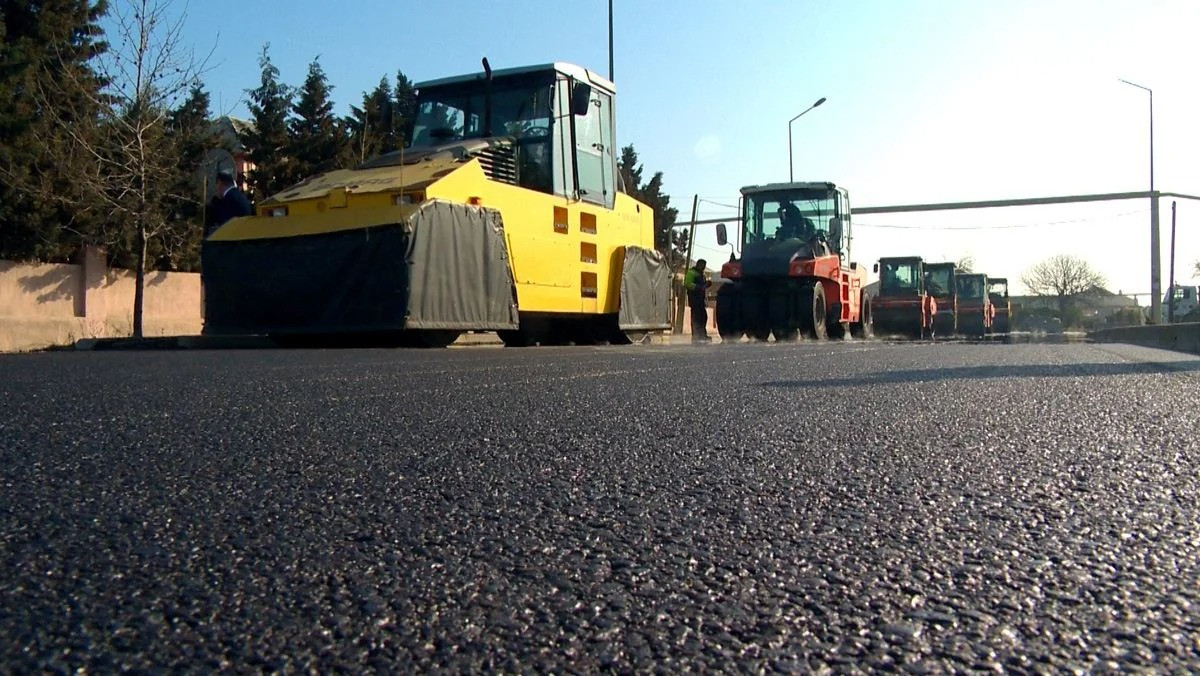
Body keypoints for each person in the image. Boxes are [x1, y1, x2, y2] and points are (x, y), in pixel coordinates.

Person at [204, 169, 252, 237]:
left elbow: (224, 224)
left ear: (220, 183)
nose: (217, 189)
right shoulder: (239, 195)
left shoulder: (228, 199)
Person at [684, 259, 711, 343]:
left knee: (703, 317)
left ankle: (702, 335)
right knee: (696, 317)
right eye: (703, 265)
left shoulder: (702, 274)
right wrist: (699, 287)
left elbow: (703, 286)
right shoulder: (691, 273)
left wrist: (707, 284)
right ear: (699, 265)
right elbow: (687, 283)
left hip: (701, 299)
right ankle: (696, 336)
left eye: (704, 266)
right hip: (694, 299)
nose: (703, 267)